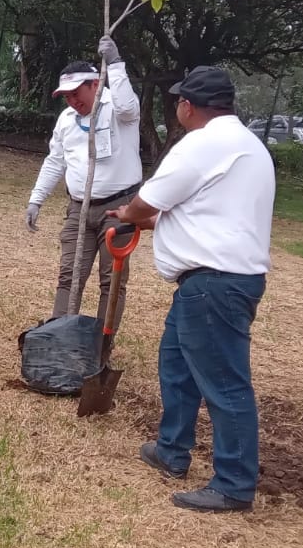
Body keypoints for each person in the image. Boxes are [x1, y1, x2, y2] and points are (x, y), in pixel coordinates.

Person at [111, 66, 275, 513]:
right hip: (215, 282)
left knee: (225, 384)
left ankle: (234, 484)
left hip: (214, 284)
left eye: (179, 101)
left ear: (188, 106)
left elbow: (150, 200)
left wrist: (130, 213)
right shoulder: (247, 145)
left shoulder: (203, 144)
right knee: (176, 365)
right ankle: (171, 449)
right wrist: (146, 218)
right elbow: (202, 213)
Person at [25, 36, 142, 319]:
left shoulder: (117, 108)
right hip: (78, 208)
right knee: (69, 276)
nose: (72, 100)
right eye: (66, 95)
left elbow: (129, 108)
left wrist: (115, 63)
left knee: (111, 281)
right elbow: (55, 161)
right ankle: (59, 337)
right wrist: (36, 200)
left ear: (95, 84)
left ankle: (100, 348)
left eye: (77, 92)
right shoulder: (66, 119)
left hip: (119, 208)